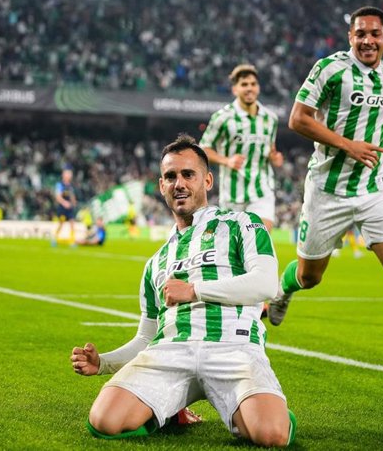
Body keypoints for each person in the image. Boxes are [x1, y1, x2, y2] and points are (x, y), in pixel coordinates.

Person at [70, 134, 296, 447]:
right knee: (105, 420)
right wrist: (102, 364)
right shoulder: (156, 261)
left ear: (207, 179)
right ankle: (172, 407)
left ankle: (271, 410)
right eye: (170, 176)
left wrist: (194, 291)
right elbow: (147, 338)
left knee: (271, 435)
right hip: (170, 353)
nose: (179, 183)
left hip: (233, 348)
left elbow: (267, 284)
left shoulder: (241, 223)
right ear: (161, 185)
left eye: (188, 174)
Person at [268, 6, 383, 381]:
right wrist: (347, 145)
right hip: (327, 189)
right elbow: (298, 118)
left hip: (373, 187)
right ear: (350, 37)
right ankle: (283, 291)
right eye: (360, 34)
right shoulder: (330, 69)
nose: (367, 40)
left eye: (374, 34)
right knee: (309, 277)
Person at [199, 64, 284, 231]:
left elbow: (270, 150)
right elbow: (203, 150)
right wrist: (226, 161)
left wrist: (275, 158)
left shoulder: (270, 118)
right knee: (233, 249)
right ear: (234, 89)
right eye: (244, 84)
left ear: (258, 88)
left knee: (260, 239)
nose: (249, 88)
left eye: (253, 84)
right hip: (232, 194)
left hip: (262, 190)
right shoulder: (222, 118)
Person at [53, 168, 77, 246]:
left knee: (72, 223)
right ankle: (54, 238)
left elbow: (72, 196)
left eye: (70, 174)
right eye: (68, 174)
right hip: (62, 207)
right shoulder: (60, 185)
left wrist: (73, 202)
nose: (69, 175)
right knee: (61, 223)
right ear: (64, 175)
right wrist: (64, 203)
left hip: (69, 207)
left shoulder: (70, 186)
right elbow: (58, 196)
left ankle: (72, 241)